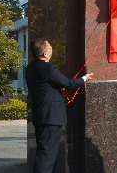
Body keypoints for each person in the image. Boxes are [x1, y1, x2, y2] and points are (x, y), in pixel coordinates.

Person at [26, 39, 93, 173]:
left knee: (45, 153)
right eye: (50, 46)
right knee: (47, 155)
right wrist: (84, 78)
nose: (52, 48)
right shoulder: (49, 69)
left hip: (40, 116)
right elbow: (68, 84)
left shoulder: (30, 67)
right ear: (45, 54)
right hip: (50, 117)